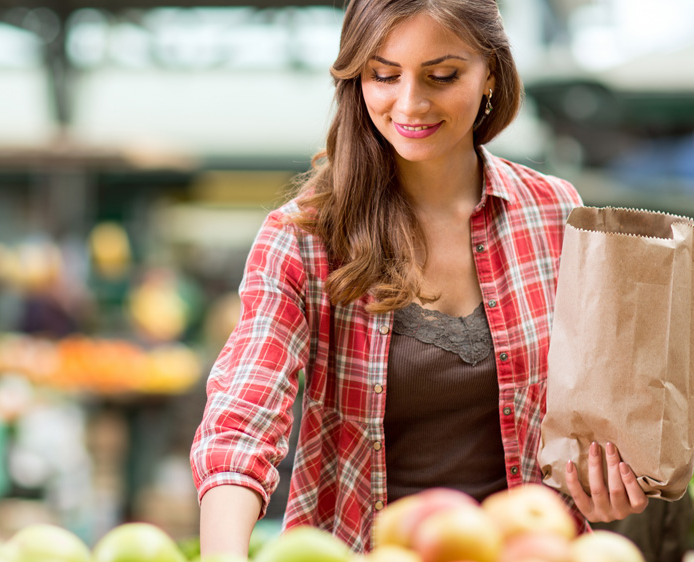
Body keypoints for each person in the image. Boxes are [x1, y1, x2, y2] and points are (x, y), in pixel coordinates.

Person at [189, 0, 650, 555]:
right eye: (383, 75)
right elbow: (244, 416)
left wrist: (613, 480)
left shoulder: (553, 211)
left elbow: (594, 415)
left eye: (442, 75)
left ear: (491, 76)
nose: (409, 103)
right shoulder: (305, 237)